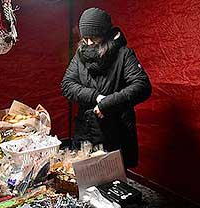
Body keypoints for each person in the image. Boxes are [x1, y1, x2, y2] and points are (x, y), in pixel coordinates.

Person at [61, 7, 151, 168]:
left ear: (105, 34)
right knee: (84, 178)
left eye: (93, 38)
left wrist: (107, 103)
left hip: (116, 131)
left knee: (113, 181)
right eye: (85, 38)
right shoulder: (80, 55)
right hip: (85, 129)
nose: (88, 43)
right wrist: (95, 96)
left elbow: (142, 86)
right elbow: (67, 85)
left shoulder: (124, 54)